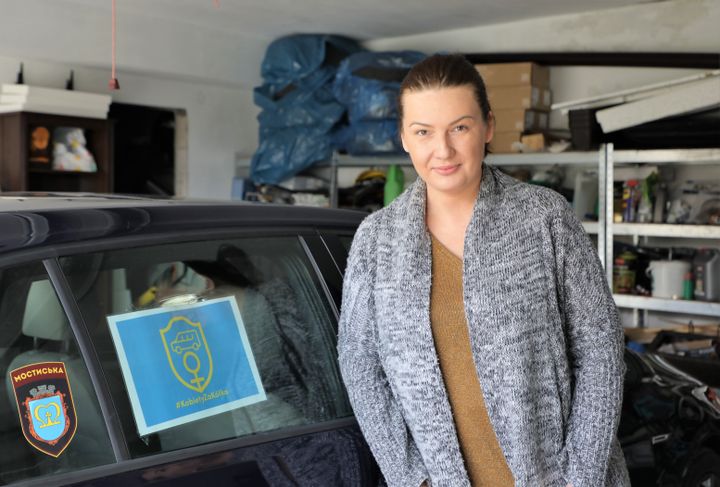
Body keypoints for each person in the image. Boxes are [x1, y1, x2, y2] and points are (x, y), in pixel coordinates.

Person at [337, 54, 630, 487]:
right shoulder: (375, 241)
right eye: (423, 132)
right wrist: (410, 477)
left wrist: (581, 478)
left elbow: (601, 350)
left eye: (460, 127)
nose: (443, 150)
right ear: (403, 137)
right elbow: (360, 365)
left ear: (488, 127)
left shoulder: (543, 216)